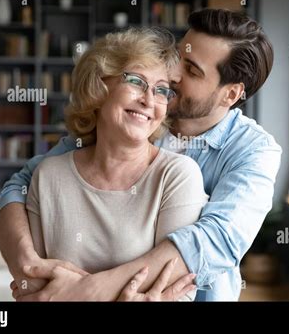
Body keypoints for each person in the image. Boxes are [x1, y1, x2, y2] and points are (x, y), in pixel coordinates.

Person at [0, 8, 282, 301]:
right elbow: (22, 185)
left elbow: (213, 242)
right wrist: (28, 265)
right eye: (180, 56)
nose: (174, 73)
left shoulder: (254, 151)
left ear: (231, 95)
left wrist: (84, 292)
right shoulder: (131, 119)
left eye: (193, 70)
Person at [21, 27, 207, 301]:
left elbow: (178, 294)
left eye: (161, 91)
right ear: (99, 84)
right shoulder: (49, 175)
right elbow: (37, 290)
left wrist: (77, 294)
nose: (148, 100)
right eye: (136, 81)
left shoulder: (176, 176)